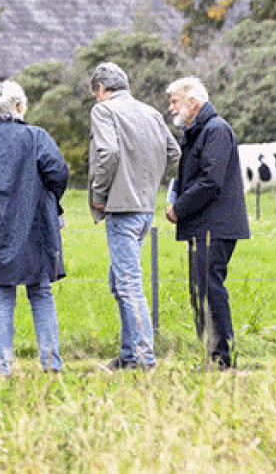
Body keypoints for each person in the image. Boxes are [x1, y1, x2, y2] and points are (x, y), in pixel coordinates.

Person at [0, 81, 70, 375]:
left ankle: (1, 366)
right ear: (19, 106)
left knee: (2, 294)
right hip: (36, 224)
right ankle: (51, 363)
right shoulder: (37, 137)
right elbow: (58, 172)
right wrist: (47, 197)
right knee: (41, 292)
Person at [88, 62, 181, 372]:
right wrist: (149, 180)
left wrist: (99, 196)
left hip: (121, 209)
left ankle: (142, 359)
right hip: (144, 210)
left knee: (127, 284)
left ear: (101, 89)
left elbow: (108, 153)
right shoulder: (151, 113)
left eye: (95, 93)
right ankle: (128, 355)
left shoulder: (104, 111)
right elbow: (174, 153)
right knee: (120, 281)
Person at [166, 76, 250, 370]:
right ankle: (213, 357)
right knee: (202, 290)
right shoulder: (198, 131)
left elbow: (210, 182)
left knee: (210, 289)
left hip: (216, 227)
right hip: (204, 226)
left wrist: (179, 208)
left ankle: (221, 360)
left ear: (192, 101)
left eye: (175, 101)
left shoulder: (215, 130)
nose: (171, 107)